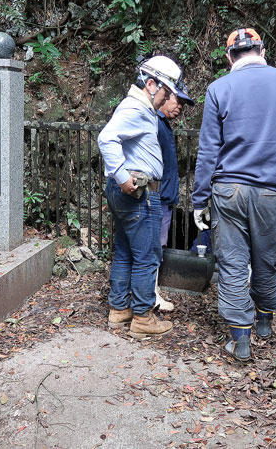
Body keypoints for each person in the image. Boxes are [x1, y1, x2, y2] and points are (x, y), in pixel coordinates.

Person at [192, 28, 276, 361]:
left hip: (229, 191)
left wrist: (199, 200)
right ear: (263, 51)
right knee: (267, 259)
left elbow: (208, 149)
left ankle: (240, 339)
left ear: (228, 57)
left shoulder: (218, 88)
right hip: (270, 190)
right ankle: (265, 321)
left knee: (233, 263)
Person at [98, 55, 185, 339]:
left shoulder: (139, 106)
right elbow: (106, 138)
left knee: (124, 251)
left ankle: (119, 309)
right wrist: (123, 177)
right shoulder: (136, 107)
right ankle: (143, 318)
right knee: (147, 256)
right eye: (166, 93)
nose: (166, 100)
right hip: (139, 193)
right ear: (151, 84)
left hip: (130, 191)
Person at [154, 81, 195, 312]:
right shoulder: (155, 123)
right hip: (157, 197)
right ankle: (150, 294)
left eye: (183, 104)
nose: (179, 107)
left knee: (157, 246)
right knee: (154, 248)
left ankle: (151, 291)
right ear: (165, 95)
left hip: (164, 196)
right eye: (177, 100)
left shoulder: (163, 125)